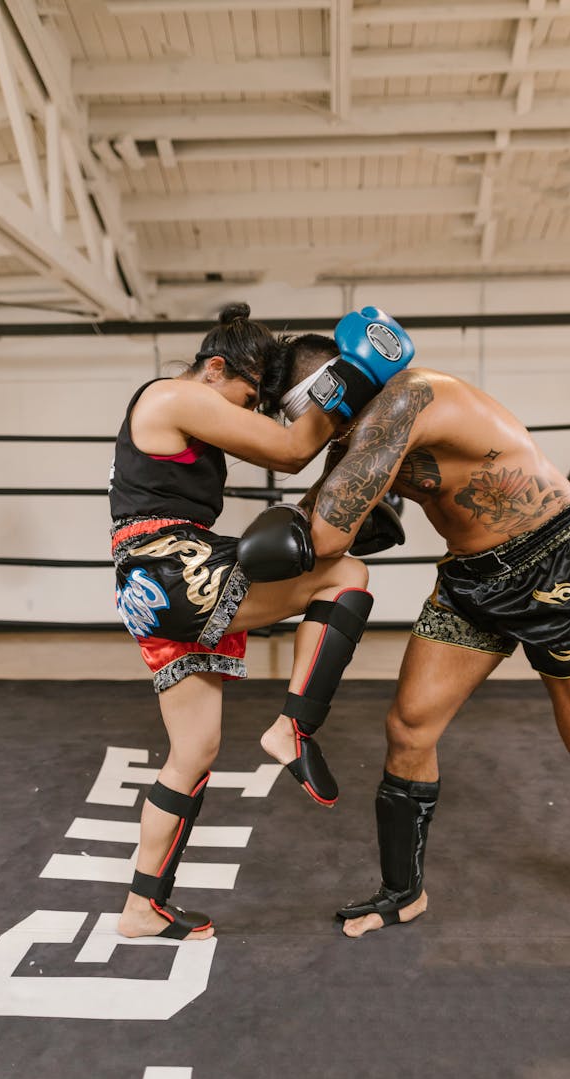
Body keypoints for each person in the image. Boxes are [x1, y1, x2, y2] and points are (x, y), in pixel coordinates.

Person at [269, 331, 570, 969]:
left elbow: (322, 533)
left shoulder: (406, 403)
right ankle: (402, 893)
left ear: (332, 390)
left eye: (300, 415)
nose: (299, 433)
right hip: (472, 580)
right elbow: (324, 510)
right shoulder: (361, 431)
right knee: (409, 727)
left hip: (553, 568)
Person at [109, 304, 378, 943]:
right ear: (217, 367)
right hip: (176, 568)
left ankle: (141, 907)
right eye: (250, 395)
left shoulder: (186, 412)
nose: (252, 411)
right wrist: (355, 378)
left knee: (193, 754)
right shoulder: (173, 394)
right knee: (346, 575)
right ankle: (293, 727)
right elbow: (289, 451)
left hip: (150, 585)